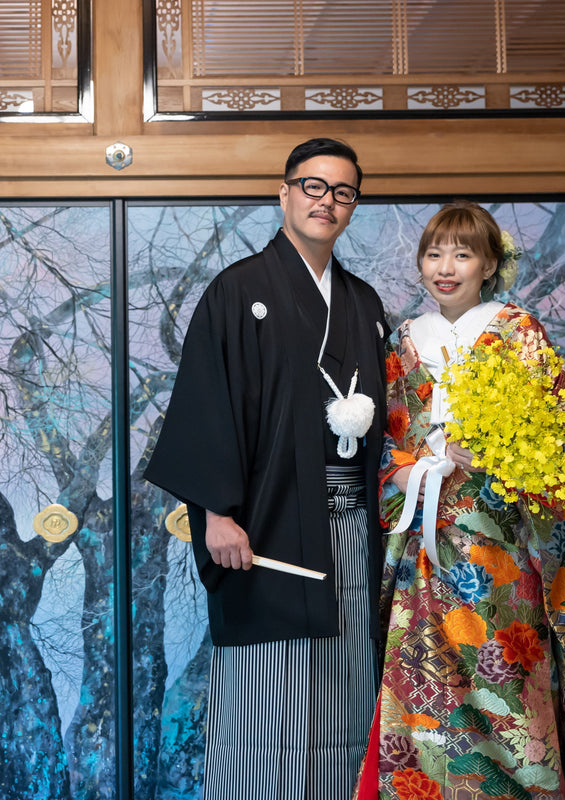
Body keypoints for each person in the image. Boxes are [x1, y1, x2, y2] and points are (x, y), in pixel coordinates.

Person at [143, 138, 389, 799]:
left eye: (343, 193)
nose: (327, 202)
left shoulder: (364, 302)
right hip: (267, 524)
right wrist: (215, 515)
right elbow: (206, 402)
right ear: (283, 194)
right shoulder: (239, 290)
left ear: (352, 207)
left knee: (346, 684)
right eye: (313, 186)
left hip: (351, 527)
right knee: (265, 696)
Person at [359, 201, 565, 799]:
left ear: (489, 263)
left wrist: (501, 452)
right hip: (428, 536)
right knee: (424, 683)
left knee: (509, 679)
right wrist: (410, 469)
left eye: (463, 253)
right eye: (434, 253)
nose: (445, 267)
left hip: (500, 543)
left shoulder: (516, 329)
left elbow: (563, 429)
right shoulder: (404, 338)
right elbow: (387, 438)